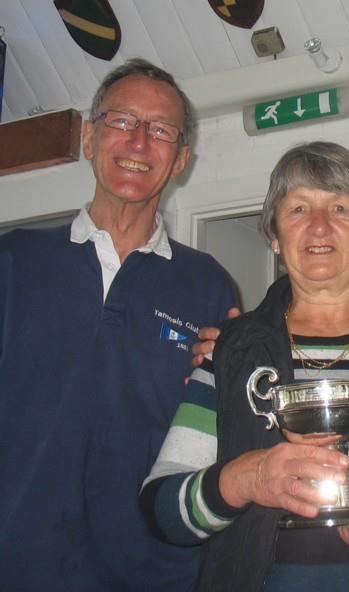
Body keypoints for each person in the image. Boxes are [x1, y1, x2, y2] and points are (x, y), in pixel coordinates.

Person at [140, 141, 349, 591]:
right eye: (299, 209)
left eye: (341, 208)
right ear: (275, 237)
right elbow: (160, 507)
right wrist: (244, 480)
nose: (319, 226)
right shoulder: (232, 351)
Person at [0, 59, 236, 591]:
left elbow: (213, 432)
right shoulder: (14, 261)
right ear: (89, 138)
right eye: (122, 121)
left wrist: (233, 371)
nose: (137, 143)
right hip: (17, 563)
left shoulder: (209, 287)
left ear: (180, 160)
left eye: (159, 130)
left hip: (153, 573)